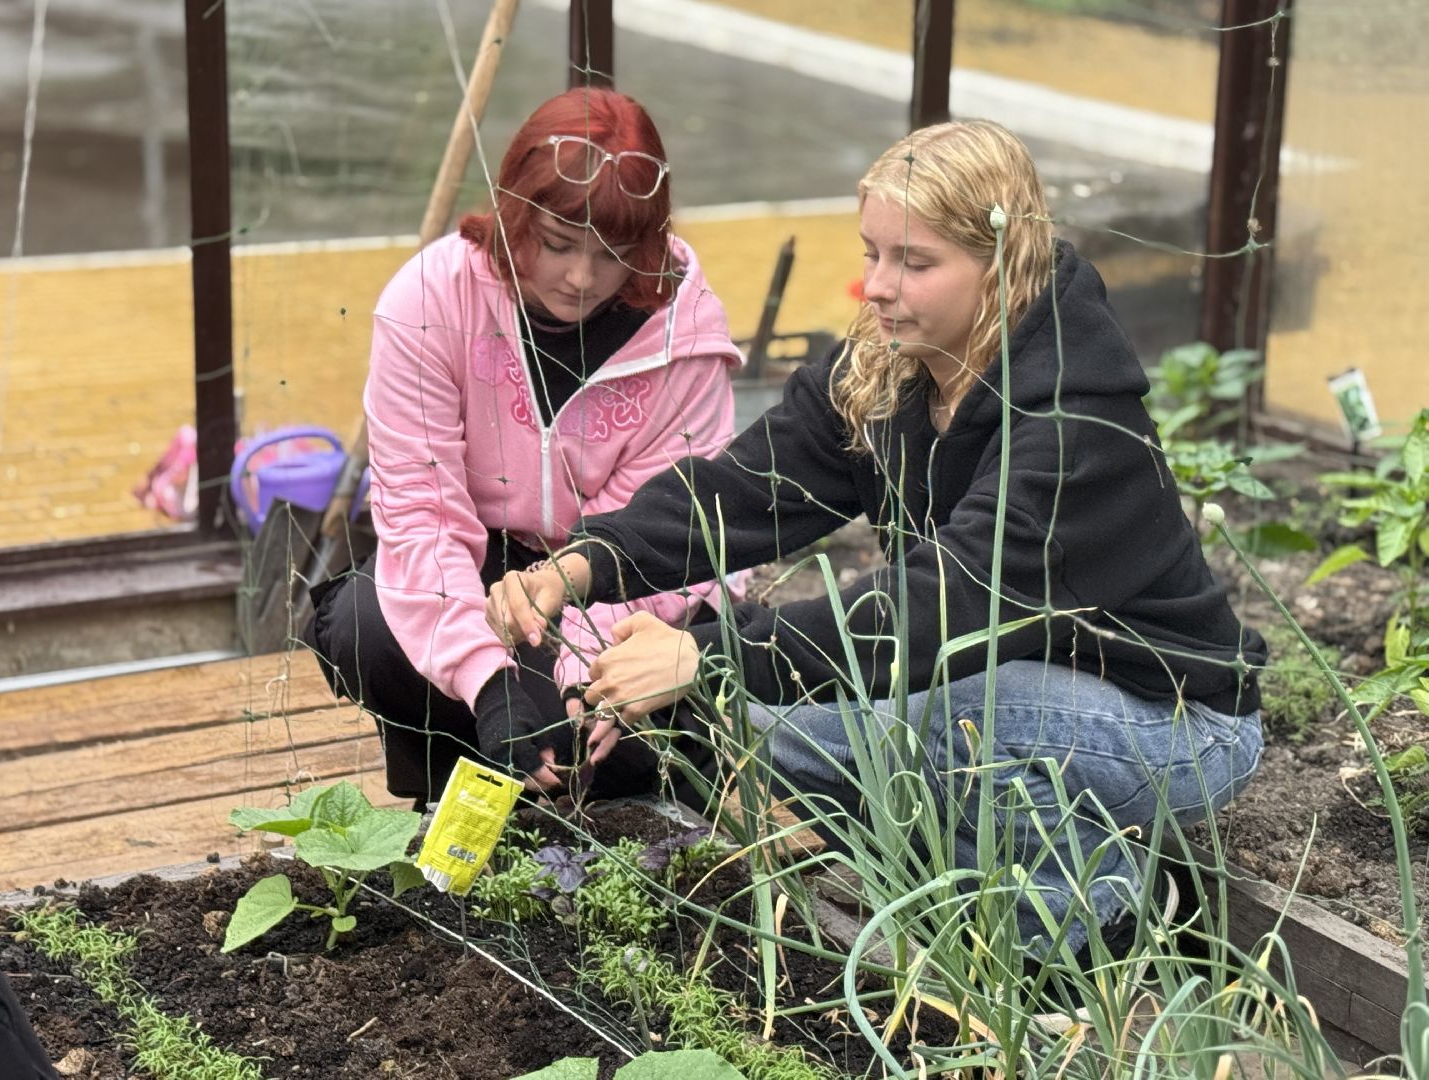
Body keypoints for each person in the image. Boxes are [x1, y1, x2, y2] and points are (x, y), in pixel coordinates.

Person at [488, 119, 1266, 956]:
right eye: (873, 254)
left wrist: (707, 653)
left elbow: (938, 608)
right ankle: (949, 861)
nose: (879, 287)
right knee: (739, 723)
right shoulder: (888, 367)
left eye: (915, 263)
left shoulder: (1074, 421)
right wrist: (585, 563)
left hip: (1169, 719)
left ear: (1001, 264)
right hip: (985, 683)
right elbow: (742, 488)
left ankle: (1085, 929)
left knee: (965, 721)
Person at [307, 88, 746, 807]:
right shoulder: (433, 301)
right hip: (481, 564)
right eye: (558, 243)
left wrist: (586, 679)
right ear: (515, 215)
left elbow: (659, 532)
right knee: (366, 626)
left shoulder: (684, 335)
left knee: (630, 720)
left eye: (613, 254)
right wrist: (489, 684)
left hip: (619, 580)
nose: (581, 277)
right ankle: (462, 783)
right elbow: (421, 514)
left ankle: (592, 783)